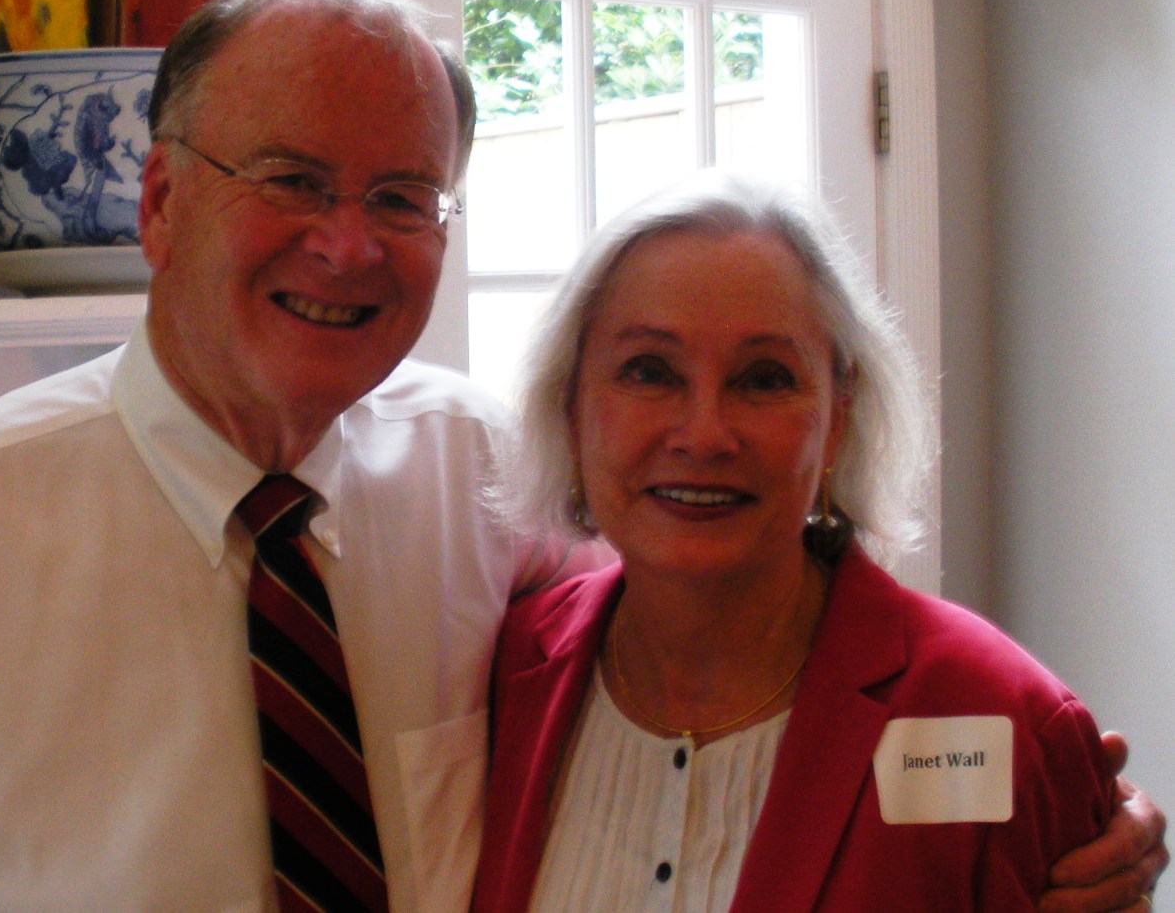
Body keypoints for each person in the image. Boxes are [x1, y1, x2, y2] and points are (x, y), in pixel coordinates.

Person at [0, 0, 1164, 911]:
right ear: (160, 200)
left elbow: (740, 619)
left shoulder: (484, 476)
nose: (346, 244)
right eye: (291, 179)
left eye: (401, 195)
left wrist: (1053, 803)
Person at [472, 170, 1166, 912]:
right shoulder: (494, 679)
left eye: (763, 379)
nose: (704, 434)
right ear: (570, 403)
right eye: (649, 371)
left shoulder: (995, 716)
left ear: (838, 417)